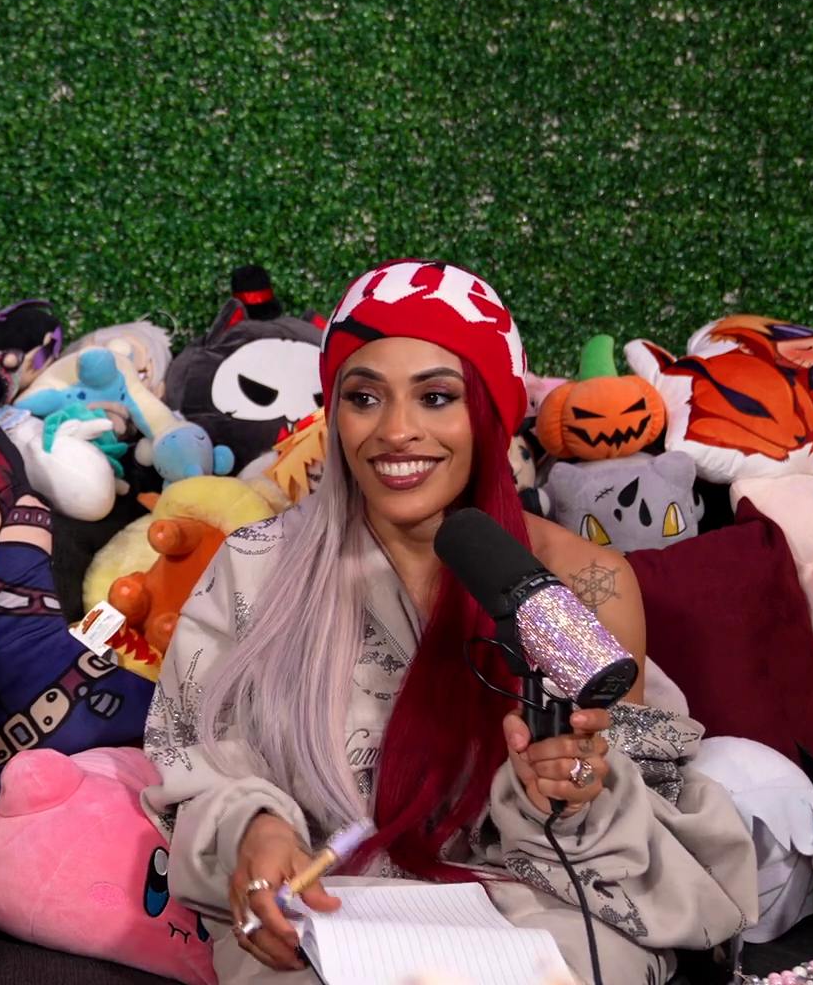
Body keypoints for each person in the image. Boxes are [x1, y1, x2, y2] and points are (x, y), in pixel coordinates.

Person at [143, 259, 759, 984]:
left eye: (436, 397)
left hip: (530, 911)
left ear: (490, 415)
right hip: (330, 917)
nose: (397, 431)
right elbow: (192, 762)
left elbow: (624, 835)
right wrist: (255, 828)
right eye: (364, 397)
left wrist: (569, 793)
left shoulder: (582, 584)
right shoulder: (256, 568)